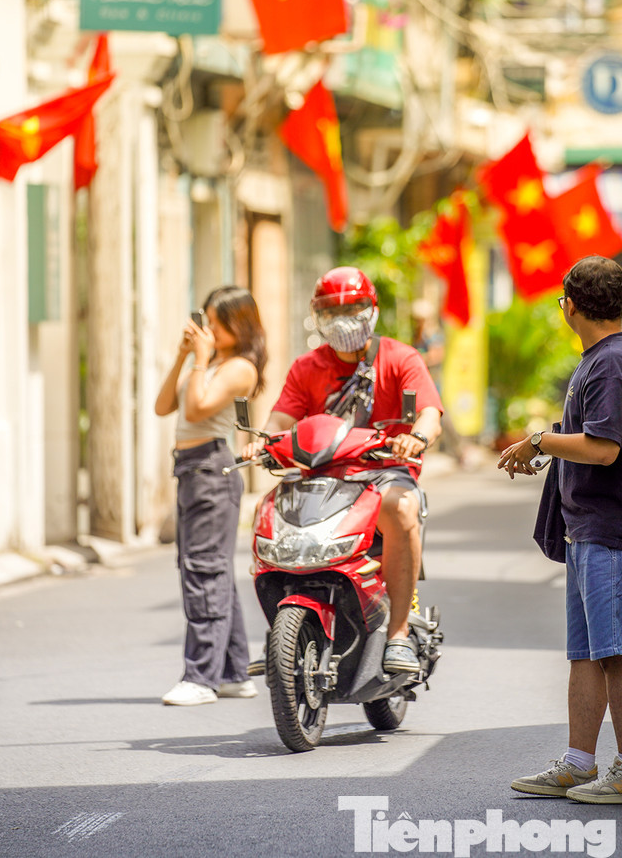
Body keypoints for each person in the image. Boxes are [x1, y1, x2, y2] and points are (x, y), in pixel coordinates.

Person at [498, 256, 622, 804]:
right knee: (586, 652)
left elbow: (602, 446)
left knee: (616, 652)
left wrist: (541, 441)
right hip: (589, 527)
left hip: (613, 530)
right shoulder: (603, 358)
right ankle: (578, 763)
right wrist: (546, 442)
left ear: (569, 306)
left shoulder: (613, 363)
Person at [262, 267, 443, 674]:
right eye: (332, 310)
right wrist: (263, 441)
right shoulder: (306, 367)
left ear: (373, 309)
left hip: (383, 474)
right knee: (268, 508)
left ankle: (397, 634)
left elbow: (430, 413)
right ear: (316, 315)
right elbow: (278, 421)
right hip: (320, 478)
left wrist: (417, 436)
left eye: (355, 307)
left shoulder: (400, 357)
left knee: (401, 508)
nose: (344, 319)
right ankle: (280, 632)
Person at [153, 286, 268, 707]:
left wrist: (200, 360)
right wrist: (184, 356)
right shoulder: (209, 363)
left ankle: (200, 677)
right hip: (190, 470)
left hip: (212, 469)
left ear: (236, 324)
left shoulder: (240, 368)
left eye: (215, 323)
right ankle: (235, 672)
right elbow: (164, 406)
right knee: (208, 569)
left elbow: (199, 411)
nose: (208, 330)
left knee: (204, 571)